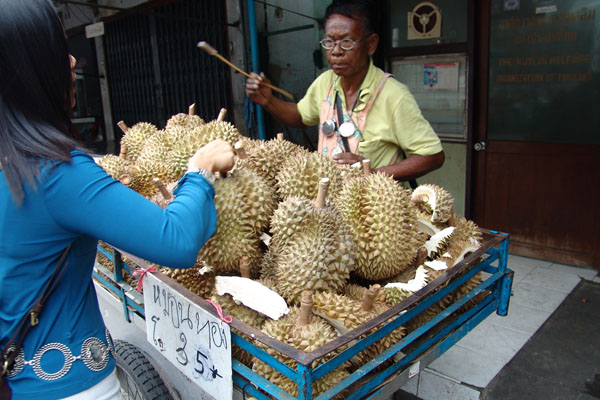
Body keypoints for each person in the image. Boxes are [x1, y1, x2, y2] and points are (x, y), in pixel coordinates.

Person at [0, 1, 235, 399]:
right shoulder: (57, 173)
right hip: (72, 388)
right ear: (33, 68)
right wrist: (199, 171)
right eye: (60, 49)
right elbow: (174, 239)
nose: (73, 60)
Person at [246, 0, 444, 183]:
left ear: (371, 44)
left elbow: (432, 155)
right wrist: (268, 101)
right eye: (329, 42)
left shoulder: (393, 95)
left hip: (371, 210)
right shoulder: (325, 82)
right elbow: (300, 116)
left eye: (347, 42)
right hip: (330, 208)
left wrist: (373, 173)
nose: (336, 51)